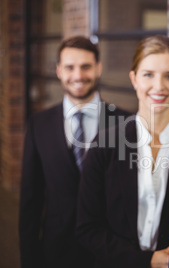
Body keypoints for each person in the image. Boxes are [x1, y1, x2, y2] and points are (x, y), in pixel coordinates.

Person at [75, 35, 169, 268]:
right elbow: (87, 228)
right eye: (148, 74)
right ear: (134, 79)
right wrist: (147, 260)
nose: (159, 86)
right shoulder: (106, 143)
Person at [19, 36, 129, 268]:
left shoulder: (126, 123)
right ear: (59, 70)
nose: (78, 75)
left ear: (98, 68)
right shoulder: (39, 124)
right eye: (70, 67)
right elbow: (31, 201)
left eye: (86, 67)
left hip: (112, 252)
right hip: (56, 251)